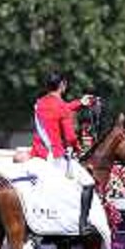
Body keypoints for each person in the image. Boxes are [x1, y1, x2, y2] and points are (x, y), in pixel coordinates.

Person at [29, 71, 96, 234]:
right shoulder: (61, 108)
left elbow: (59, 109)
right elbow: (71, 137)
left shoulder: (38, 103)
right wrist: (78, 148)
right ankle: (82, 225)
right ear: (62, 85)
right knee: (88, 183)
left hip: (38, 154)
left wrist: (80, 103)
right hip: (55, 157)